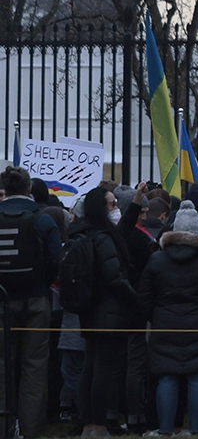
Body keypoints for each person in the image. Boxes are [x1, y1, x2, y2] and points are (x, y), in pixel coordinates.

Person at [138, 204, 198, 435]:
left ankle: (166, 429)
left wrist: (157, 315)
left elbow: (144, 297)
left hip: (165, 323)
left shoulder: (157, 259)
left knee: (167, 377)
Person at [65, 186, 138, 438]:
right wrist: (136, 300)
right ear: (100, 208)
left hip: (91, 309)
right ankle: (98, 424)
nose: (115, 208)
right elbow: (114, 277)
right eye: (111, 204)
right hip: (111, 312)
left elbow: (121, 233)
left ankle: (88, 424)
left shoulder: (86, 233)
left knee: (90, 367)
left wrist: (136, 204)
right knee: (104, 371)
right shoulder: (102, 237)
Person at [0, 164, 62, 438]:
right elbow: (55, 261)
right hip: (36, 299)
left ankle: (3, 426)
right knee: (34, 367)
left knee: (3, 366)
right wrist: (42, 284)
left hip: (1, 301)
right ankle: (31, 430)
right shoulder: (44, 219)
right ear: (28, 188)